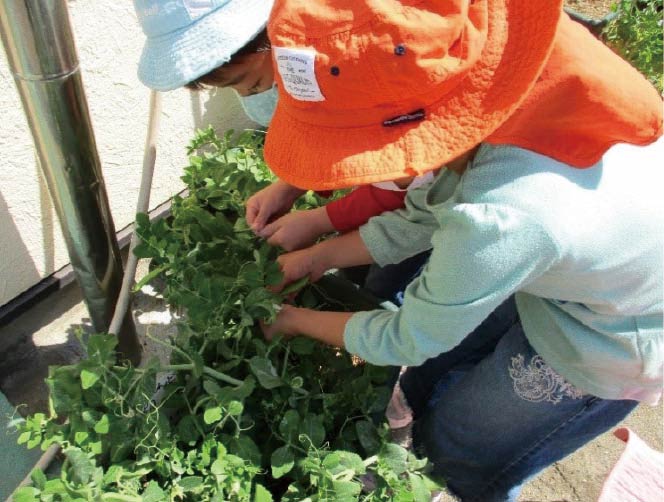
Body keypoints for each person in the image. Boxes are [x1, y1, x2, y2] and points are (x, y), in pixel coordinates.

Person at [258, 0, 663, 500]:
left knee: (465, 443)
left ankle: (447, 479)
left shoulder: (501, 216)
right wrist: (313, 259)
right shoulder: (497, 111)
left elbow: (408, 338)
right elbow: (428, 214)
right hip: (576, 268)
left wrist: (290, 320)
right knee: (447, 367)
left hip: (614, 341)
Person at [132, 0, 434, 304]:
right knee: (367, 265)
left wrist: (319, 224)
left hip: (439, 218)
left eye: (250, 83)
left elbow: (405, 196)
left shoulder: (382, 84)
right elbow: (349, 153)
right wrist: (290, 187)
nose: (249, 95)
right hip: (415, 199)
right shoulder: (331, 66)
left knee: (394, 294)